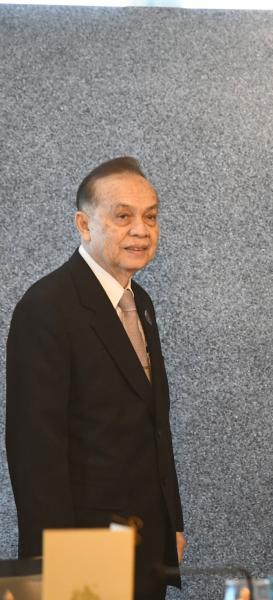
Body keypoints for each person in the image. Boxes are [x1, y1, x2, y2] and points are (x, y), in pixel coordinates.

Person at [5, 157, 186, 600]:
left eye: (150, 217)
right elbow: (35, 449)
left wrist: (172, 524)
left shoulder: (140, 302)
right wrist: (55, 562)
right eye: (123, 217)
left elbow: (154, 426)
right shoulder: (48, 306)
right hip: (82, 552)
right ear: (84, 225)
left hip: (146, 544)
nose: (141, 230)